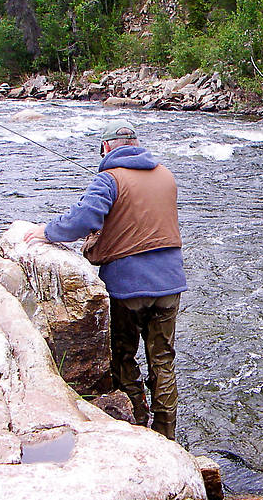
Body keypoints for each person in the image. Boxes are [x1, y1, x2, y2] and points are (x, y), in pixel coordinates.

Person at [23, 119, 186, 440]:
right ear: (137, 144)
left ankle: (138, 422)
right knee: (163, 361)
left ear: (106, 147)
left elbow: (83, 219)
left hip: (128, 287)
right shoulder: (167, 176)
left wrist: (46, 231)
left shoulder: (107, 180)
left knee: (123, 356)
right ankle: (168, 435)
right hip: (170, 284)